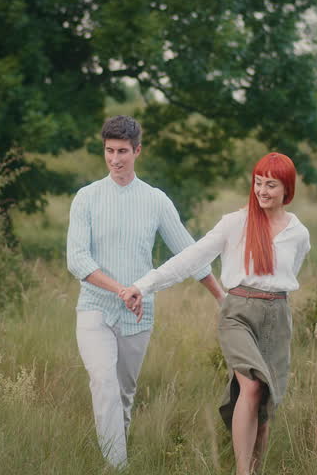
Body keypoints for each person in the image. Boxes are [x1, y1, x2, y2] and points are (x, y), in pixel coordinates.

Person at [121, 152, 310, 475]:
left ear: (286, 189)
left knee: (265, 404)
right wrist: (144, 284)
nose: (262, 191)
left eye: (271, 185)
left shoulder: (298, 233)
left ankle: (254, 468)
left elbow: (288, 275)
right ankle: (241, 471)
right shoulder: (235, 223)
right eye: (258, 183)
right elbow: (190, 258)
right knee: (250, 386)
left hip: (277, 316)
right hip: (237, 313)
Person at [66, 115, 224, 469]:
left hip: (139, 315)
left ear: (138, 151)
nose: (115, 159)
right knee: (103, 382)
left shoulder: (155, 200)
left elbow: (189, 253)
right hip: (94, 307)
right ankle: (118, 467)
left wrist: (221, 297)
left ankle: (114, 459)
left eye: (123, 151)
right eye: (109, 151)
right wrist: (121, 289)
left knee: (122, 395)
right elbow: (77, 260)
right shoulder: (86, 198)